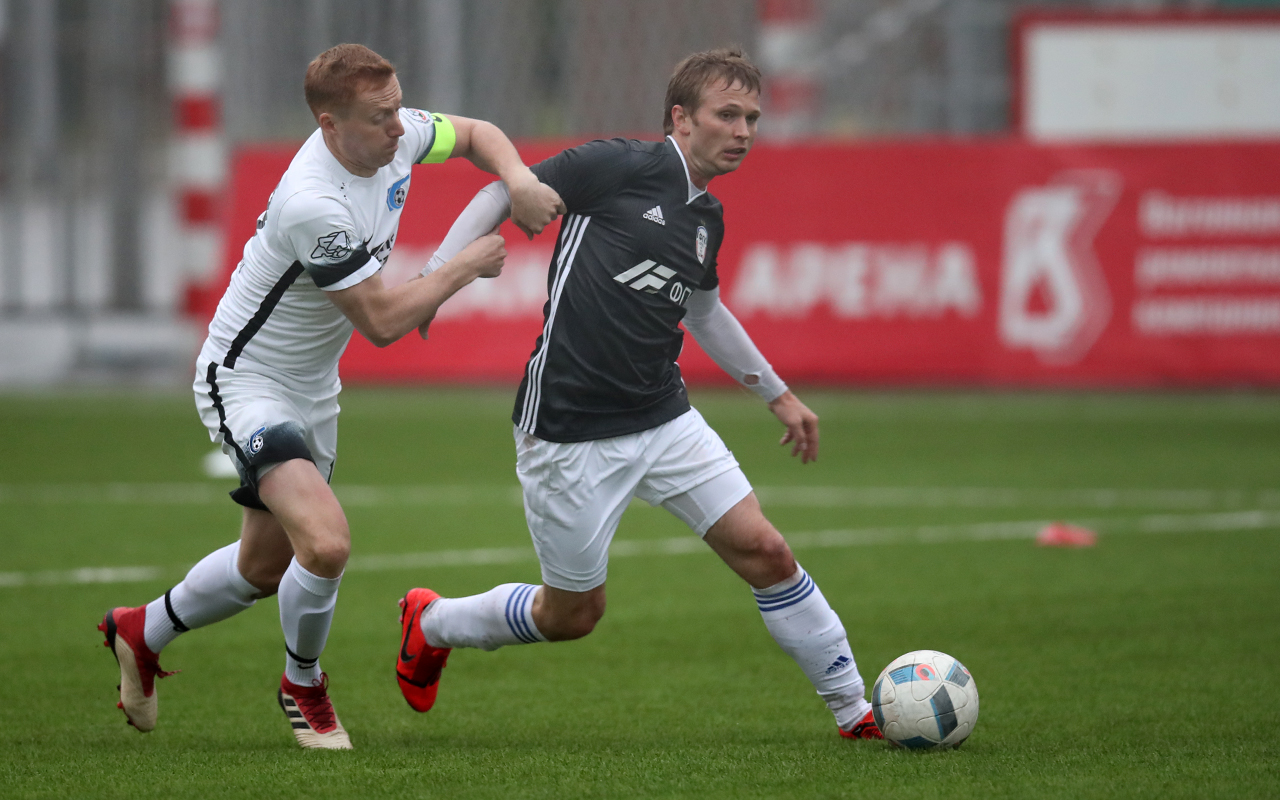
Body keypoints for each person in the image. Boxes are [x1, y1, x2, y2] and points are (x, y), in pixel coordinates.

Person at [395, 47, 882, 741]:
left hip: (664, 417)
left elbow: (705, 313)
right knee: (572, 616)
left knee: (767, 552)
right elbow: (499, 193)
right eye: (727, 115)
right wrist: (435, 280)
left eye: (752, 118)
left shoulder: (707, 217)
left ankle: (855, 712)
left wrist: (777, 395)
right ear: (681, 118)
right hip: (567, 429)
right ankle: (434, 621)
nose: (743, 131)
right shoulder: (618, 165)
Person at [97, 43, 563, 750]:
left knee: (263, 567)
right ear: (329, 124)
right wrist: (464, 265)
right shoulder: (313, 202)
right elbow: (381, 322)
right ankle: (303, 684)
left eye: (397, 108)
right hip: (246, 381)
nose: (400, 127)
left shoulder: (393, 136)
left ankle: (140, 630)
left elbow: (476, 134)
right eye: (380, 117)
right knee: (325, 543)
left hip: (314, 387)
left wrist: (518, 177)